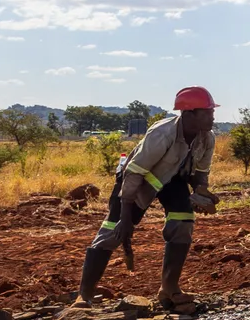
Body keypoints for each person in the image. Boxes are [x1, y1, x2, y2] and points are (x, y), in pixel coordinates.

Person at [77, 86, 219, 308]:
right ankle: (83, 295)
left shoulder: (207, 137)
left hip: (173, 182)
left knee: (183, 222)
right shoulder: (163, 133)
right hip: (138, 180)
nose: (212, 116)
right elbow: (133, 174)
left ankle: (169, 289)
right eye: (207, 112)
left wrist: (202, 192)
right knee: (113, 231)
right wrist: (126, 218)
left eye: (212, 111)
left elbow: (201, 172)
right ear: (189, 114)